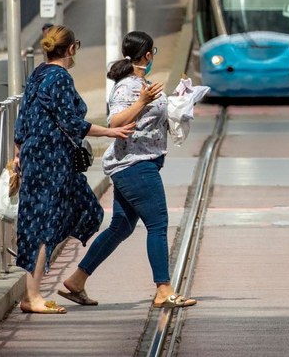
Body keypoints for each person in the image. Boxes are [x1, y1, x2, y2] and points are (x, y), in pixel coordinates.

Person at [58, 31, 198, 309]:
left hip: (139, 162)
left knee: (120, 227)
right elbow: (115, 121)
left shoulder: (143, 84)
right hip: (135, 166)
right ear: (146, 56)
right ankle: (163, 289)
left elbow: (149, 118)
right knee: (157, 225)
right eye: (153, 53)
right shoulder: (127, 86)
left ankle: (77, 280)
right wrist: (143, 101)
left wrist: (179, 102)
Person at [13, 25, 135, 314]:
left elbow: (24, 116)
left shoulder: (39, 73)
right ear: (70, 49)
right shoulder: (59, 77)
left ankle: (61, 282)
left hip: (39, 156)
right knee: (43, 224)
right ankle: (33, 296)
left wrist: (19, 149)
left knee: (86, 210)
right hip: (51, 160)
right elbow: (71, 121)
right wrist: (109, 133)